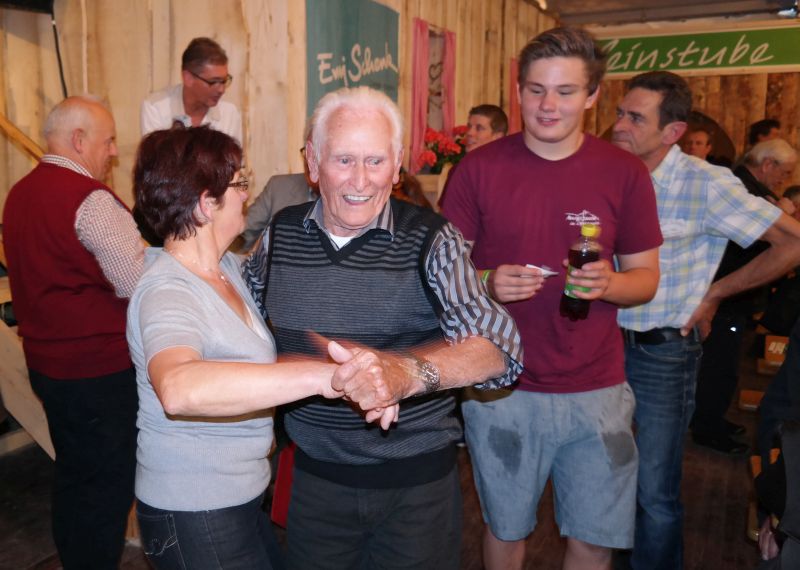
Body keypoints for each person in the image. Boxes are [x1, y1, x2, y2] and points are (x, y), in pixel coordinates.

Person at [244, 86, 523, 570]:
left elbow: (500, 346)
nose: (360, 180)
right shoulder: (279, 235)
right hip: (314, 485)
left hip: (416, 491)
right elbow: (238, 318)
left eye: (375, 161)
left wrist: (405, 373)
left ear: (396, 167)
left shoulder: (431, 238)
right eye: (343, 160)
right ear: (312, 162)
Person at [441, 27, 662, 570]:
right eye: (536, 90)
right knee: (505, 529)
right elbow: (441, 275)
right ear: (518, 90)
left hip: (598, 388)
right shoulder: (478, 169)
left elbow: (645, 279)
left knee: (594, 539)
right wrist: (487, 282)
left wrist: (608, 284)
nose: (548, 105)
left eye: (565, 91)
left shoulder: (624, 173)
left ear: (591, 96)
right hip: (500, 385)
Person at [127, 126, 388, 569]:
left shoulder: (227, 268)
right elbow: (178, 387)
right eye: (239, 184)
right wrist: (324, 378)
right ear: (206, 203)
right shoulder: (167, 290)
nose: (247, 195)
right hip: (194, 508)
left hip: (237, 497)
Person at [612, 70, 800, 570]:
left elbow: (792, 243)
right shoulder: (609, 172)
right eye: (619, 113)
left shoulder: (706, 182)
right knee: (608, 478)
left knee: (654, 490)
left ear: (672, 132)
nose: (619, 125)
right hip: (600, 350)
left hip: (662, 353)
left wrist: (714, 294)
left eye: (635, 118)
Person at [2, 95, 144, 569]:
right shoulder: (91, 200)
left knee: (74, 475)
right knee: (107, 487)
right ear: (79, 140)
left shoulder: (19, 194)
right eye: (109, 141)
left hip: (47, 365)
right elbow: (138, 285)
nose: (113, 152)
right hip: (97, 372)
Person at [691, 138, 798, 455]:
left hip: (731, 296)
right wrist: (779, 215)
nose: (784, 181)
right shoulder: (742, 191)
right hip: (726, 294)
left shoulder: (753, 190)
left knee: (723, 365)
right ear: (768, 165)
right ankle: (707, 427)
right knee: (717, 367)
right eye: (784, 173)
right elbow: (748, 245)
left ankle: (713, 419)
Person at [140, 37, 242, 143]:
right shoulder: (156, 107)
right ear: (188, 78)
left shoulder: (229, 113)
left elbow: (234, 154)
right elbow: (155, 154)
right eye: (213, 82)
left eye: (224, 81)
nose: (222, 90)